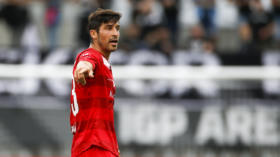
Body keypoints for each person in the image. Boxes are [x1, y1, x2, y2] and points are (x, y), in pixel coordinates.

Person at [70, 8, 121, 157]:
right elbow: (85, 62)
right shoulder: (92, 56)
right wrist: (83, 68)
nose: (115, 33)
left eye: (117, 28)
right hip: (95, 147)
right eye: (108, 28)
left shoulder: (104, 64)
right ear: (93, 33)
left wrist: (112, 145)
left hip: (97, 146)